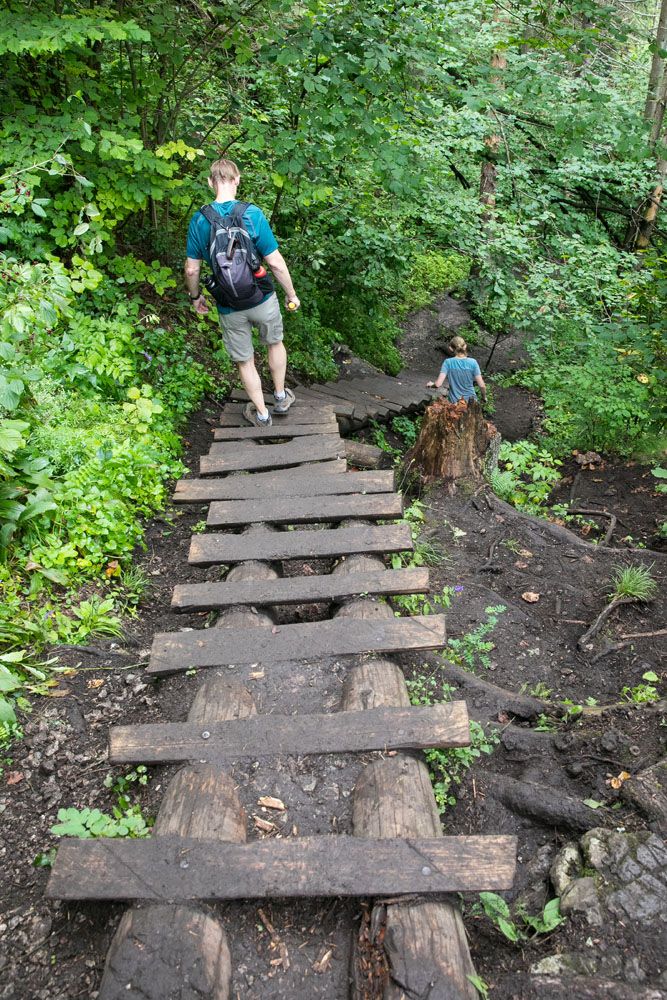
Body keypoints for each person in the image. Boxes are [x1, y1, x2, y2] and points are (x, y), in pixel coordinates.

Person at [184, 158, 300, 427]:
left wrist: (195, 296)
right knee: (274, 342)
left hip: (227, 303)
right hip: (261, 296)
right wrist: (291, 293)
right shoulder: (252, 214)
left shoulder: (199, 220)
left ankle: (261, 414)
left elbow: (191, 270)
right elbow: (274, 261)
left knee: (245, 360)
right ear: (237, 180)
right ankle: (281, 397)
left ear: (210, 182)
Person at [426, 336, 487, 404]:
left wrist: (431, 384)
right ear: (465, 346)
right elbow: (482, 385)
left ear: (451, 348)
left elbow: (438, 384)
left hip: (454, 404)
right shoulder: (473, 362)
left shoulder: (448, 362)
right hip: (471, 402)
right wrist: (484, 397)